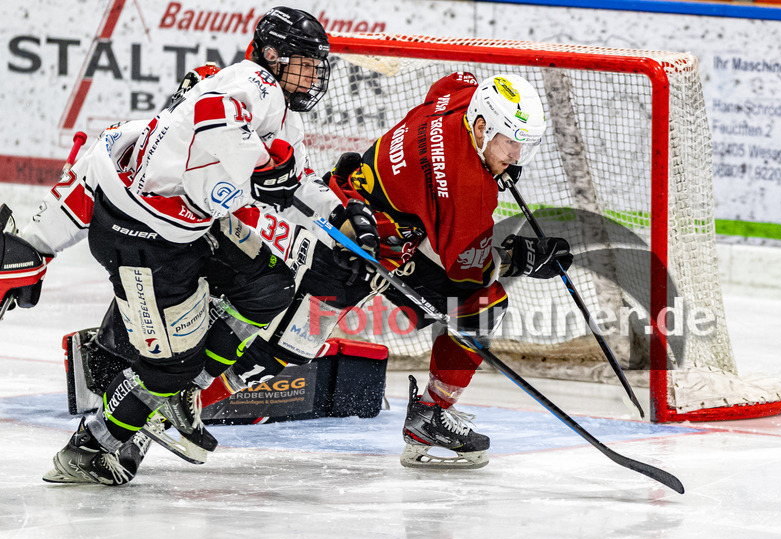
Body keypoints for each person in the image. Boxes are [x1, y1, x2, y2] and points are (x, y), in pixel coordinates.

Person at [28, 6, 354, 486]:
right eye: (306, 62)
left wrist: (343, 216)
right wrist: (261, 166)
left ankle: (188, 392)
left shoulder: (282, 114)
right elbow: (213, 122)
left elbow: (296, 181)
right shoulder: (253, 81)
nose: (314, 75)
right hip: (143, 236)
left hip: (192, 226)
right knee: (166, 368)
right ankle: (88, 446)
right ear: (272, 55)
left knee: (270, 286)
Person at [208, 71, 574, 470]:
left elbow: (450, 81)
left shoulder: (461, 98)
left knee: (479, 306)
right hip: (344, 247)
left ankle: (427, 419)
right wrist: (525, 257)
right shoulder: (467, 186)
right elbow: (468, 270)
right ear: (483, 127)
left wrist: (495, 161)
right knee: (279, 350)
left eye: (523, 144)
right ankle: (158, 405)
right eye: (511, 142)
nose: (516, 155)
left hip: (361, 216)